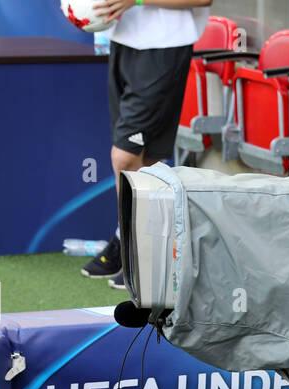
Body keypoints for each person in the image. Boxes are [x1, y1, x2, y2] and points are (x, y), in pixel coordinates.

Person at [80, 0, 212, 288]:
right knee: (147, 161)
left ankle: (134, 252)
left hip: (165, 47)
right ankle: (136, 247)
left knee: (124, 157)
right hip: (121, 39)